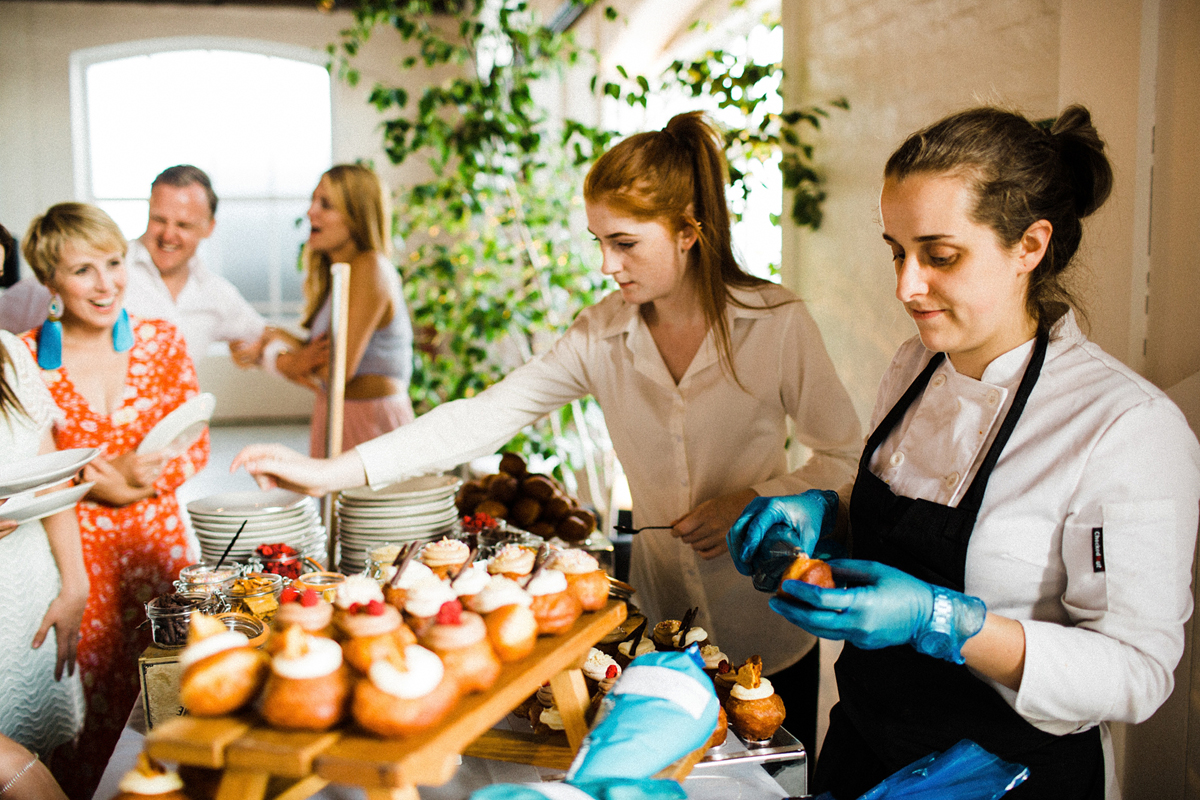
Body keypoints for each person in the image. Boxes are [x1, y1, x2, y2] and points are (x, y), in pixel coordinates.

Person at [233, 113, 862, 757]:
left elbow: (844, 457)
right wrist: (330, 471)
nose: (605, 265)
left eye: (624, 243)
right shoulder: (600, 333)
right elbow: (484, 415)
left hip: (769, 625)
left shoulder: (777, 322)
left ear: (687, 232)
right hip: (660, 623)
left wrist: (754, 499)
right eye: (597, 241)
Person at [729, 105, 1200, 800]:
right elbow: (908, 522)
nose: (905, 286)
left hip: (1007, 779)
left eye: (940, 255)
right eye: (897, 250)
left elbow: (1135, 673)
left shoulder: (1124, 425)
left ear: (1029, 246)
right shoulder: (915, 365)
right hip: (863, 751)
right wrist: (826, 519)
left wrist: (940, 621)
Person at [20, 203, 210, 800]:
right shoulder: (22, 358)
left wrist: (132, 482)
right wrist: (101, 485)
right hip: (79, 564)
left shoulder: (160, 340)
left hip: (162, 552)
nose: (106, 284)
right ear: (50, 281)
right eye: (83, 271)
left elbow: (195, 442)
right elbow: (29, 471)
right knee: (95, 715)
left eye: (114, 262)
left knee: (183, 693)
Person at [0, 165, 266, 368]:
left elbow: (260, 334)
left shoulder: (216, 292)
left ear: (209, 227)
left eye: (183, 225)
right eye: (159, 219)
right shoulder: (99, 269)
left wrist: (257, 350)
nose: (168, 235)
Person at [0, 232, 87, 775]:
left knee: (45, 758)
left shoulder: (8, 351)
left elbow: (51, 469)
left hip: (31, 589)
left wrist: (74, 582)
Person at [267, 164, 416, 456]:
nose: (311, 212)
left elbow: (334, 370)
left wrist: (284, 360)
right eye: (313, 201)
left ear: (356, 215)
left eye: (326, 204)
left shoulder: (369, 268)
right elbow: (323, 351)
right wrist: (277, 337)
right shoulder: (341, 274)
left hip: (370, 424)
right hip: (340, 413)